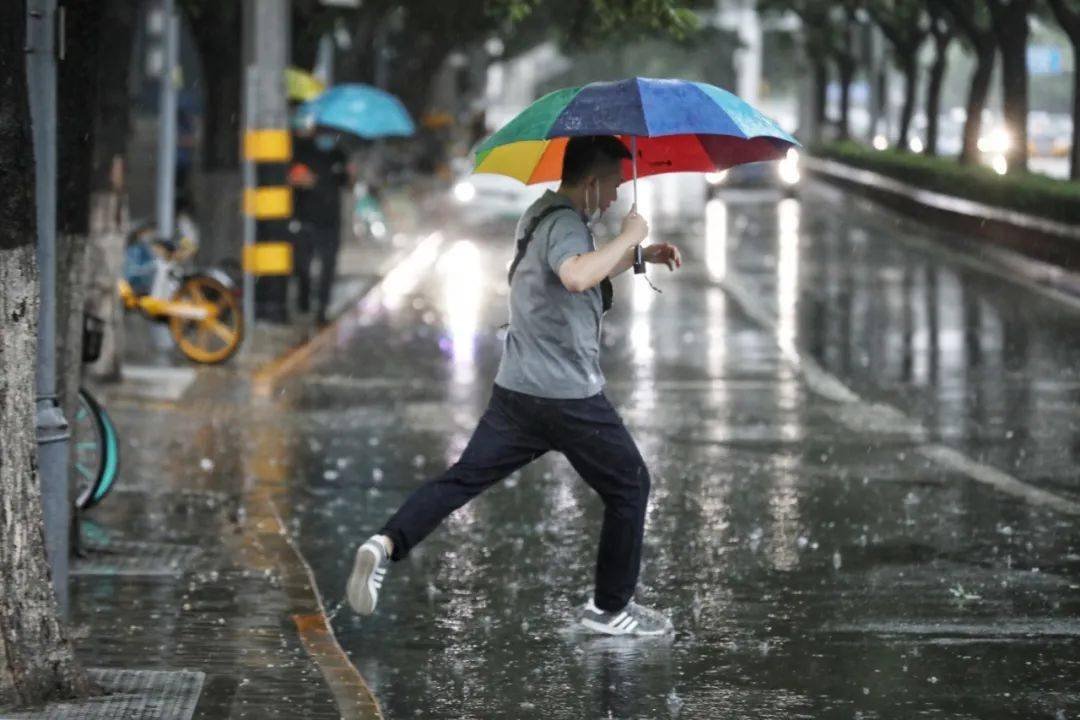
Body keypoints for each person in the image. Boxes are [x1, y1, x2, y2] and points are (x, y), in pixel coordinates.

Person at [346, 135, 684, 636]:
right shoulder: (568, 224)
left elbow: (574, 273)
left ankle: (385, 544)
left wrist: (639, 258)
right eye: (612, 183)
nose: (615, 196)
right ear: (590, 182)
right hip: (568, 398)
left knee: (461, 479)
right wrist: (630, 237)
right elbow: (573, 276)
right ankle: (610, 610)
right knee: (631, 484)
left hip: (518, 394)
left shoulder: (542, 214)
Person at [289, 127, 351, 325]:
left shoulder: (338, 154)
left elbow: (346, 183)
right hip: (305, 219)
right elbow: (292, 178)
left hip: (330, 221)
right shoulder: (302, 152)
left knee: (328, 266)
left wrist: (349, 174)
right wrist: (301, 180)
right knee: (303, 265)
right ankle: (304, 300)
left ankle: (322, 308)